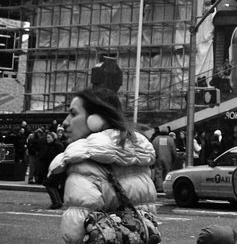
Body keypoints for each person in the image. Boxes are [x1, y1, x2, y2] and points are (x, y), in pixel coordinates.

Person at [47, 87, 157, 243]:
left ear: (96, 119)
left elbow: (75, 234)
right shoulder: (137, 156)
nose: (65, 122)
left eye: (73, 114)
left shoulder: (84, 164)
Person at [152, 126, 177, 192]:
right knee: (167, 173)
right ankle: (167, 188)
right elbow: (174, 151)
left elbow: (152, 149)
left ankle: (159, 188)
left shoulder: (156, 139)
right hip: (168, 159)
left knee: (158, 173)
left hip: (158, 158)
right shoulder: (170, 139)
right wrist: (174, 158)